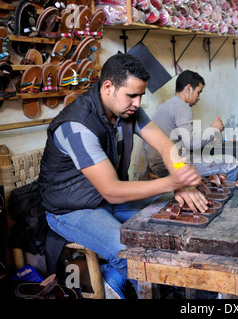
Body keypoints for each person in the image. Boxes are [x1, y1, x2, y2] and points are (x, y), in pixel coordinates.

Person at [38, 54, 208, 291]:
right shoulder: (77, 126)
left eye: (140, 95)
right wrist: (173, 181)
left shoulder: (127, 110)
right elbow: (113, 190)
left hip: (104, 198)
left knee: (176, 212)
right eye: (132, 95)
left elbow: (164, 145)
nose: (138, 103)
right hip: (70, 209)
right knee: (130, 254)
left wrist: (182, 182)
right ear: (108, 87)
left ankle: (122, 279)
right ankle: (151, 289)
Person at [145, 70, 238, 181]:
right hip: (169, 166)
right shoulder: (182, 106)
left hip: (157, 164)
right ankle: (225, 197)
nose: (199, 97)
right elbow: (191, 142)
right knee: (231, 162)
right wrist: (214, 129)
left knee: (201, 157)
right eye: (199, 92)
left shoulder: (169, 104)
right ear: (188, 88)